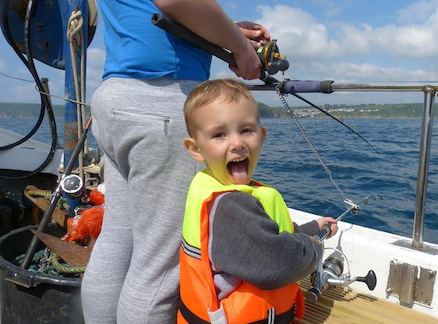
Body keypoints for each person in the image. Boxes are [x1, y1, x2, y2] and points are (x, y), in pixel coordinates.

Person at [81, 1, 271, 323]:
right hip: (159, 103)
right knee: (159, 266)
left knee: (116, 239)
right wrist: (240, 48)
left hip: (115, 99)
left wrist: (226, 31)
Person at [179, 79, 338, 323]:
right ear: (196, 149)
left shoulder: (214, 189)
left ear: (261, 136)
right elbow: (277, 263)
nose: (238, 143)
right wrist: (315, 246)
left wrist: (314, 227)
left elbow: (263, 236)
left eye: (246, 130)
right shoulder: (230, 207)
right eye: (219, 134)